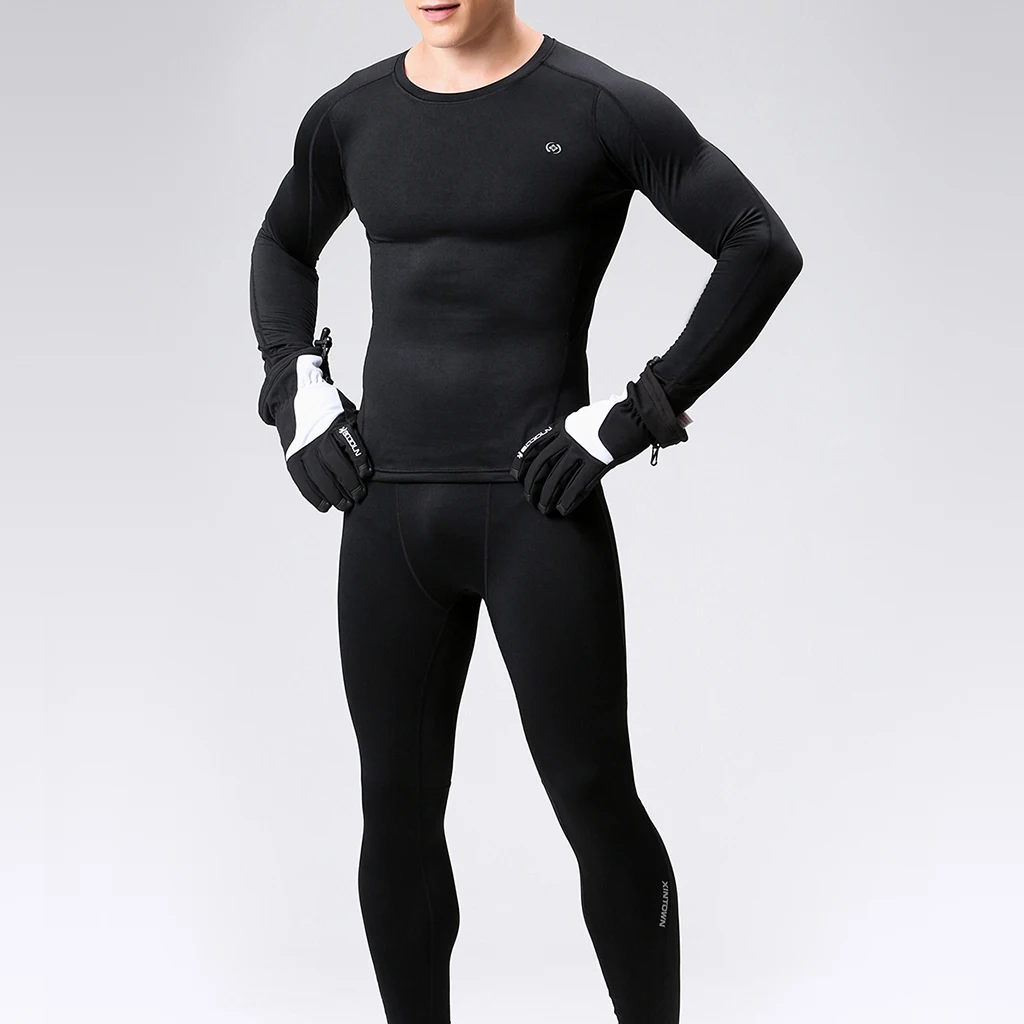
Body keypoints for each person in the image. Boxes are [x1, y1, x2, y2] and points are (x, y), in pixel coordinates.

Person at [248, 1, 803, 1021]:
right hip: (385, 513)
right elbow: (284, 244)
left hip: (536, 513)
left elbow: (759, 246)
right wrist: (295, 388)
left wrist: (635, 416)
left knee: (596, 804)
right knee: (395, 812)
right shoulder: (351, 116)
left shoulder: (599, 107)